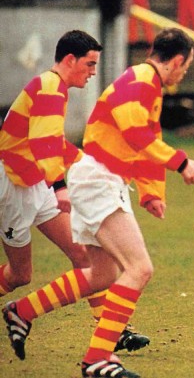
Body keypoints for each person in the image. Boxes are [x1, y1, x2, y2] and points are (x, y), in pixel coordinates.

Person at [3, 27, 194, 378]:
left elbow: (144, 139)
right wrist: (182, 162)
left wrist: (151, 192)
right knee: (138, 269)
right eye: (185, 67)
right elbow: (136, 135)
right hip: (66, 180)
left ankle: (23, 312)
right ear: (176, 61)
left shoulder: (146, 84)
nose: (183, 73)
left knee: (102, 272)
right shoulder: (140, 81)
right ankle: (97, 359)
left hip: (91, 178)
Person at [0, 30, 149, 354]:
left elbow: (54, 142)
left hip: (35, 182)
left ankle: (112, 330)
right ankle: (17, 310)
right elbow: (43, 144)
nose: (93, 72)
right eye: (90, 64)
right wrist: (60, 187)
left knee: (83, 256)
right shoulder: (50, 87)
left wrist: (92, 162)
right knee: (19, 275)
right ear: (70, 60)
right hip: (12, 186)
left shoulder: (54, 87)